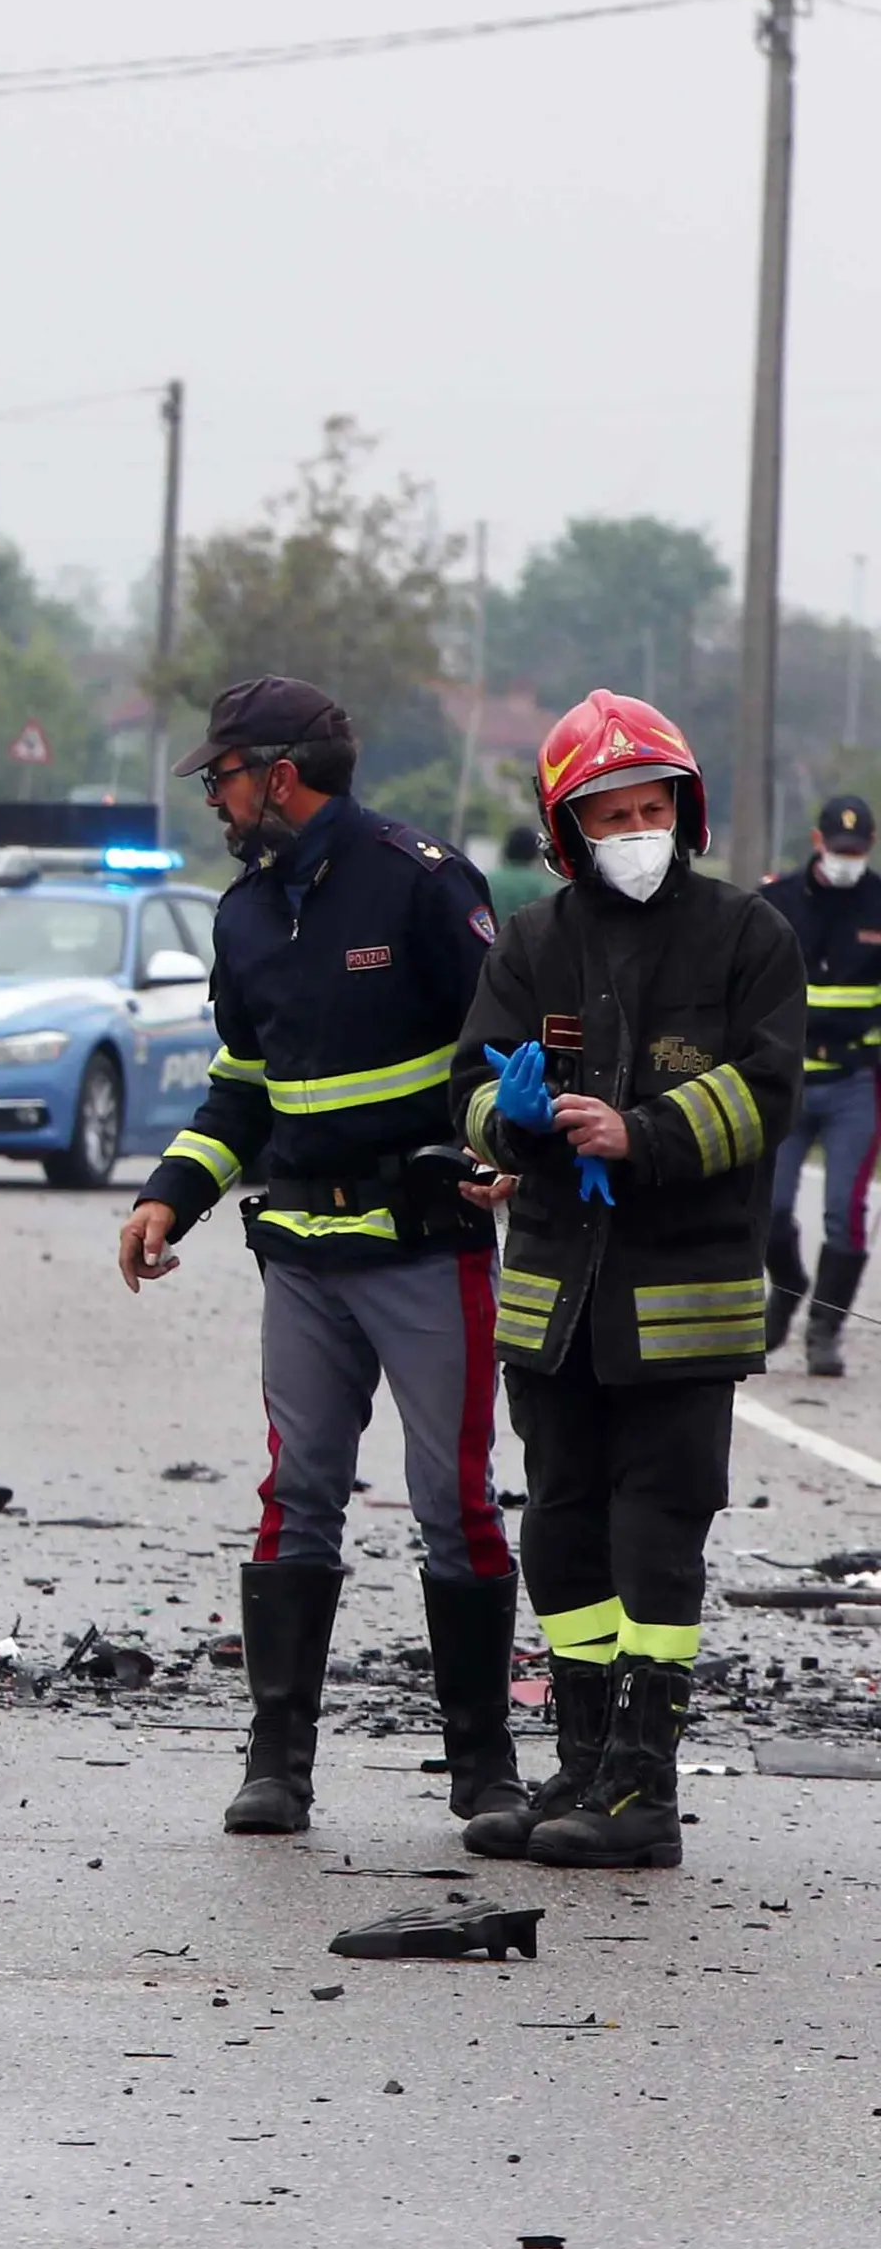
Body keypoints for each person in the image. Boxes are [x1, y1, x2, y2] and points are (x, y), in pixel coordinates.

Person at [117, 677, 519, 1836]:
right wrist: (168, 1195)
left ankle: (483, 1773)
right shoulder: (241, 916)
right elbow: (241, 1088)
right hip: (298, 1254)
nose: (215, 800)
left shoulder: (425, 883)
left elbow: (493, 1053)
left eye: (223, 777)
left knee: (454, 1503)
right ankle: (276, 1765)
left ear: (280, 774)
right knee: (297, 1497)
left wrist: (495, 1144)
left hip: (423, 1249)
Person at [453, 694, 798, 1869]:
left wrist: (638, 1133)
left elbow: (766, 1090)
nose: (635, 831)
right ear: (567, 831)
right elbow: (469, 1088)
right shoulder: (532, 939)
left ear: (684, 813)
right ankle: (584, 1764)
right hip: (557, 1299)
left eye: (652, 809)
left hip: (682, 1303)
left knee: (656, 1535)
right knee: (559, 1529)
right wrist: (506, 1120)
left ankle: (644, 1791)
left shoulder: (746, 936)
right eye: (611, 815)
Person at [760, 792, 881, 1373]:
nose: (846, 858)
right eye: (838, 848)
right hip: (788, 1081)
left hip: (857, 1082)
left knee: (845, 1210)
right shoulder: (776, 901)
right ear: (817, 843)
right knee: (770, 1206)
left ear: (871, 848)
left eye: (856, 850)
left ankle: (825, 1329)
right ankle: (786, 1286)